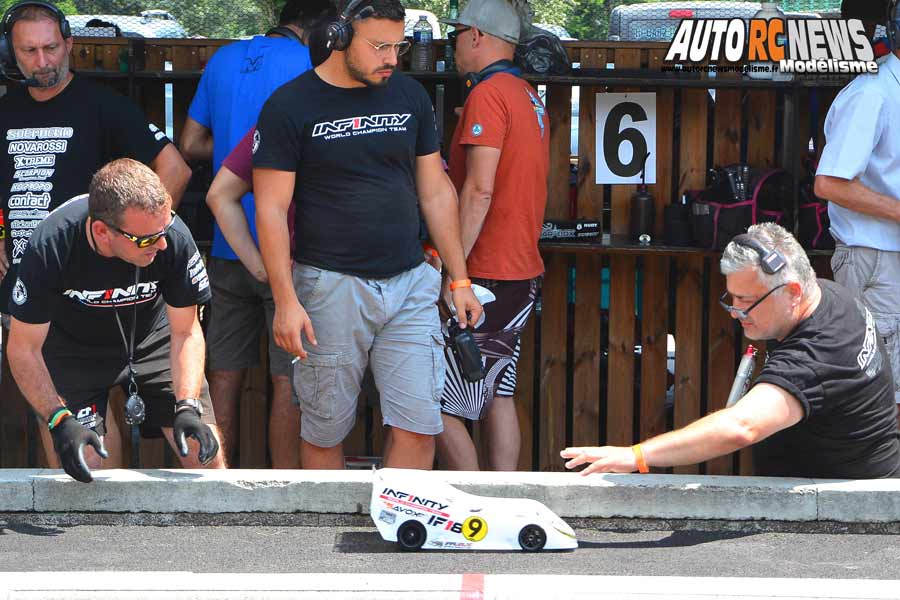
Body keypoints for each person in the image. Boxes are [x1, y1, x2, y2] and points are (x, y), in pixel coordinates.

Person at [253, 0, 482, 470]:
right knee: (324, 429)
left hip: (410, 281)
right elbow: (271, 209)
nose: (391, 59)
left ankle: (400, 529)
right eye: (379, 46)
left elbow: (436, 192)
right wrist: (285, 300)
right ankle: (320, 540)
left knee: (419, 424)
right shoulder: (289, 104)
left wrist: (459, 278)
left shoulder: (410, 97)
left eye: (397, 46)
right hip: (329, 285)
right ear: (339, 37)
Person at [0, 0, 191, 463]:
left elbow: (175, 169)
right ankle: (99, 533)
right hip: (38, 294)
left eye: (50, 48)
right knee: (76, 439)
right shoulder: (4, 112)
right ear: (11, 53)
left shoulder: (103, 106)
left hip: (107, 288)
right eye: (29, 51)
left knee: (179, 424)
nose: (42, 61)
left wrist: (138, 241)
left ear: (69, 44)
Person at [561, 223, 900, 479]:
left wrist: (635, 456)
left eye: (747, 302)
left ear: (794, 291)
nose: (736, 313)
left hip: (845, 508)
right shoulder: (832, 296)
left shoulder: (815, 356)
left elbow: (742, 427)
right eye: (732, 298)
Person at [180, 0, 334, 468]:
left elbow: (188, 144)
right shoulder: (314, 62)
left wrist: (234, 152)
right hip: (290, 250)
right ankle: (285, 486)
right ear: (318, 28)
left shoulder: (224, 58)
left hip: (229, 248)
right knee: (290, 378)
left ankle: (214, 476)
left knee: (220, 374)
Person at [6, 159, 224, 482]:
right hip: (73, 348)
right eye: (147, 239)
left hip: (153, 336)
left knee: (204, 455)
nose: (161, 244)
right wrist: (59, 420)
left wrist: (188, 404)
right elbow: (23, 349)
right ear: (102, 232)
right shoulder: (52, 244)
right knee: (88, 466)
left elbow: (186, 331)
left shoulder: (171, 237)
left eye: (163, 231)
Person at [435, 0, 549, 472]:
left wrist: (452, 268)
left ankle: (478, 507)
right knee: (499, 391)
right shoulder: (527, 93)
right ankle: (502, 499)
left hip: (485, 273)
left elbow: (479, 190)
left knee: (436, 403)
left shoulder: (489, 94)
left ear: (476, 35)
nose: (452, 45)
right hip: (521, 270)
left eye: (455, 34)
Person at [814, 0, 900, 427]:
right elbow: (829, 183)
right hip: (873, 259)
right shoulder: (872, 95)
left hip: (887, 258)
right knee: (881, 397)